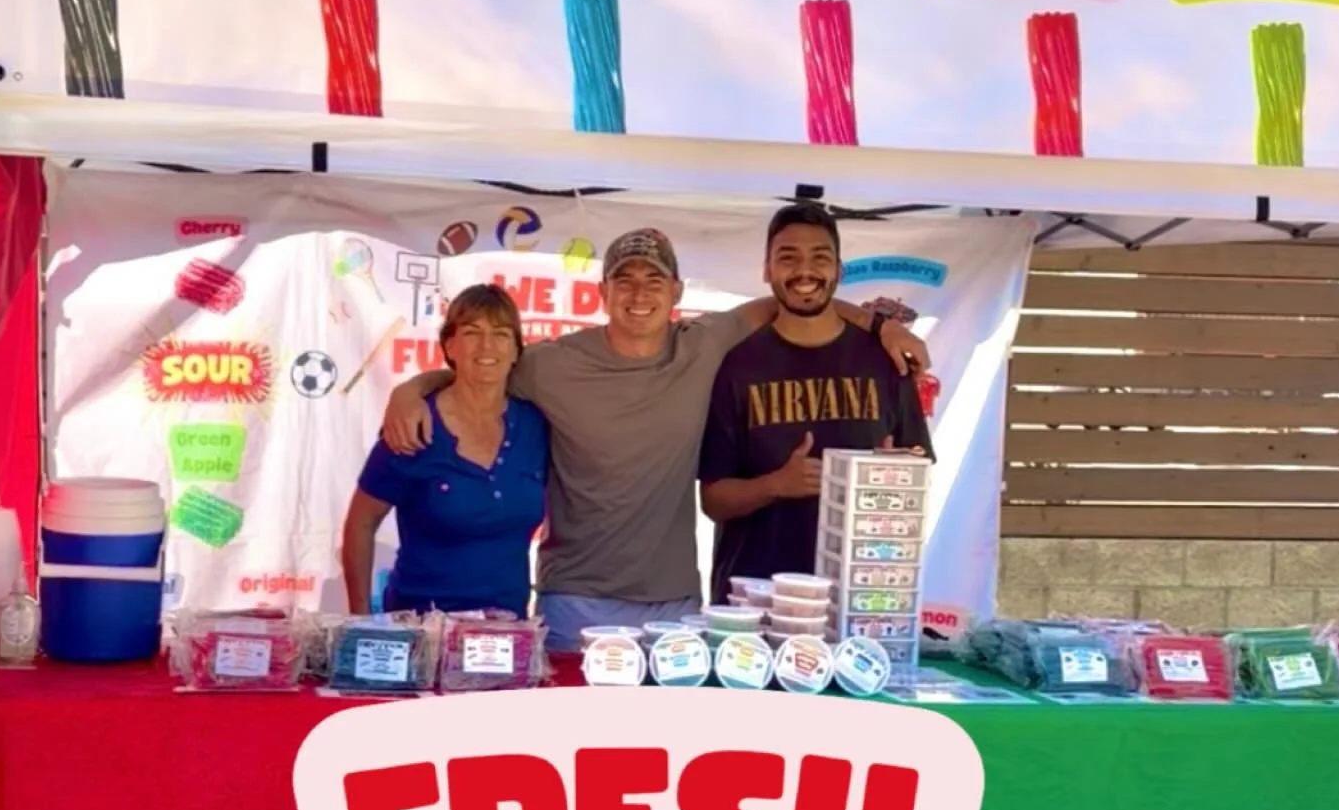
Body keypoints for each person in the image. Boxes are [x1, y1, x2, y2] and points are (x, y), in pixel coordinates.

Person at [381, 227, 929, 650]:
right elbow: (479, 371)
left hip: (675, 606)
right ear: (603, 292)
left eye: (653, 280)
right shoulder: (551, 366)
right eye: (625, 279)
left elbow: (794, 301)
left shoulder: (705, 343)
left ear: (677, 291)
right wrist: (412, 388)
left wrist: (883, 326)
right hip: (574, 602)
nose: (639, 293)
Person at [699, 202, 933, 603]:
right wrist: (775, 485)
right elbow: (713, 500)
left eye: (819, 257)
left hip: (860, 599)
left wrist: (891, 471)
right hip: (755, 601)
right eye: (788, 257)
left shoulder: (885, 361)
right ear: (767, 270)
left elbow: (919, 463)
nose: (805, 271)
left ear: (839, 271)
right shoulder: (735, 365)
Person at [342, 285, 547, 617]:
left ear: (516, 351)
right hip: (422, 629)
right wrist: (360, 619)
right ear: (449, 346)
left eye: (500, 333)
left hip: (506, 635)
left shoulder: (535, 426)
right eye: (471, 332)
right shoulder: (413, 424)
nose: (486, 346)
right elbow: (361, 523)